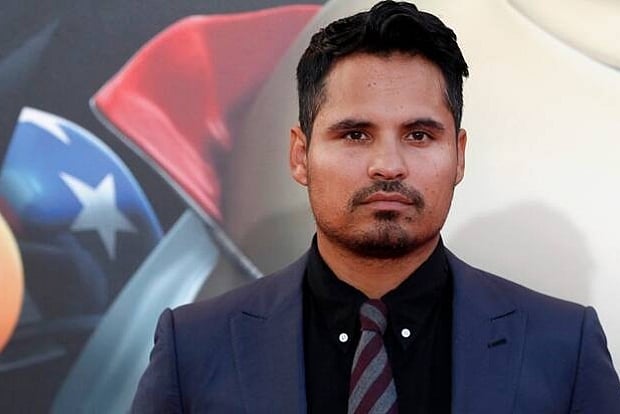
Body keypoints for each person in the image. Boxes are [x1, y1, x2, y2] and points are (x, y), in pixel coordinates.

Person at [131, 1, 620, 412]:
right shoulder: (193, 347)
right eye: (355, 134)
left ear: (459, 156)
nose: (388, 165)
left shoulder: (564, 347)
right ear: (300, 156)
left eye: (419, 135)